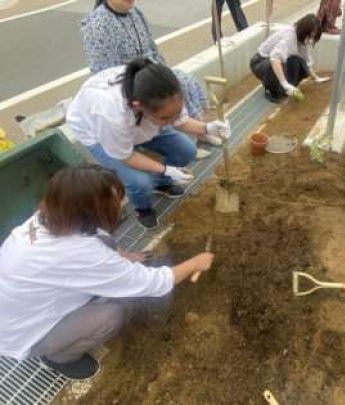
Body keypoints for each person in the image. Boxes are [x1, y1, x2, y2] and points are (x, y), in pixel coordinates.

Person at [0, 165, 214, 380]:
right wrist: (195, 263)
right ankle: (59, 357)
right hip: (22, 332)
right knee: (111, 315)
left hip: (23, 304)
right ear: (88, 210)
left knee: (105, 241)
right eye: (114, 201)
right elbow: (154, 284)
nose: (121, 204)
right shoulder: (76, 253)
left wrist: (124, 257)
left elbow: (96, 241)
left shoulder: (53, 215)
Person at [66, 58, 230, 229]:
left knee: (187, 151)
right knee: (140, 182)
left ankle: (161, 183)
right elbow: (125, 156)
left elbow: (180, 120)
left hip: (143, 122)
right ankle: (142, 208)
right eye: (166, 118)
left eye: (174, 113)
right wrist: (166, 169)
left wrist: (207, 128)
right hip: (97, 133)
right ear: (139, 106)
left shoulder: (166, 91)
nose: (172, 120)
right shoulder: (110, 113)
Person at [82, 0, 211, 158]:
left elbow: (152, 48)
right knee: (162, 98)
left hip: (149, 71)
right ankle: (188, 137)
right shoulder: (98, 25)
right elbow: (104, 71)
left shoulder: (135, 12)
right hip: (129, 83)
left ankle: (199, 131)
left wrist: (163, 74)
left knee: (182, 80)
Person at [250, 13, 329, 103]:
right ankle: (271, 90)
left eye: (313, 38)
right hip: (260, 62)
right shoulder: (289, 37)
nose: (311, 40)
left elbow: (306, 61)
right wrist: (285, 84)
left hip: (272, 61)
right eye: (310, 36)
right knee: (276, 65)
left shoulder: (303, 39)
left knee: (300, 63)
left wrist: (316, 78)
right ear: (304, 30)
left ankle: (285, 87)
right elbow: (275, 59)